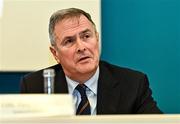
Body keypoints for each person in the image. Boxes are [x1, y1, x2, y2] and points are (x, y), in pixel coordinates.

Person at [20, 8, 162, 115]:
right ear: (55, 53)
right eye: (69, 41)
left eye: (86, 36)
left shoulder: (132, 84)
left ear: (97, 39)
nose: (81, 47)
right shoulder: (35, 86)